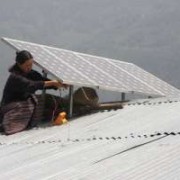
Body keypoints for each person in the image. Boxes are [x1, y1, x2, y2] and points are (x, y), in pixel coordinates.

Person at [0, 50, 66, 135]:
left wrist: (57, 85)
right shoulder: (15, 77)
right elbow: (31, 85)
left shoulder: (30, 73)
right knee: (33, 101)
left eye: (31, 65)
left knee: (42, 100)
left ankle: (29, 121)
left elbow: (42, 80)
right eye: (27, 65)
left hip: (22, 104)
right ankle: (12, 125)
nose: (29, 67)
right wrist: (53, 83)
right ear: (19, 64)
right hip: (10, 107)